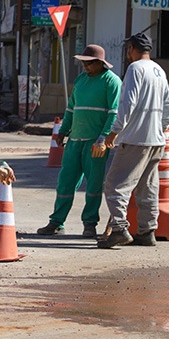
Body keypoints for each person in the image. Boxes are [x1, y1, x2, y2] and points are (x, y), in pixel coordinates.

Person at [97, 32, 169, 249]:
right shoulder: (159, 70)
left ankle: (119, 229)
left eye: (128, 49)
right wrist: (160, 128)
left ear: (132, 48)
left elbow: (127, 103)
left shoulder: (135, 69)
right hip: (156, 140)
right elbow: (168, 106)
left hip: (135, 139)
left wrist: (115, 131)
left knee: (115, 185)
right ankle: (147, 231)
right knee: (147, 187)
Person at [36, 44, 122, 238]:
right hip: (75, 140)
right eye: (84, 63)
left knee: (93, 186)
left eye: (89, 63)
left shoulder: (112, 81)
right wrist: (63, 131)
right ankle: (57, 222)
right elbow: (71, 110)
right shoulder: (81, 80)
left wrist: (103, 137)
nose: (85, 66)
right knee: (65, 182)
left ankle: (90, 224)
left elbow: (114, 113)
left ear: (100, 63)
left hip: (95, 143)